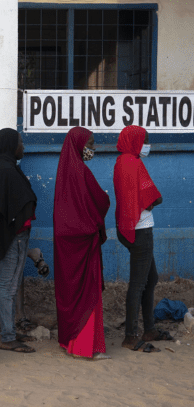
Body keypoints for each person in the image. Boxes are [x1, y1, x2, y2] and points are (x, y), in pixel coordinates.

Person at [53, 127, 110, 360]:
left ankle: (70, 342)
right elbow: (100, 200)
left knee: (70, 293)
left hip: (66, 243)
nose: (93, 148)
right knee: (87, 295)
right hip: (84, 242)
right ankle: (85, 346)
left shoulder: (64, 172)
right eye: (91, 143)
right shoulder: (82, 173)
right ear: (79, 145)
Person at [0, 129, 37, 353]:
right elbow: (21, 201)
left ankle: (10, 329)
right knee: (8, 287)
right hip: (13, 236)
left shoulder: (1, 167)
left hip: (10, 234)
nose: (23, 147)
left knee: (9, 285)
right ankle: (7, 336)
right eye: (20, 143)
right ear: (11, 145)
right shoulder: (7, 170)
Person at [114, 125, 170, 353]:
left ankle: (149, 328)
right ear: (136, 141)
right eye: (146, 140)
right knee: (138, 283)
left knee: (151, 277)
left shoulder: (121, 162)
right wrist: (157, 199)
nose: (148, 145)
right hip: (141, 229)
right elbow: (150, 199)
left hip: (127, 228)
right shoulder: (135, 164)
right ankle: (131, 335)